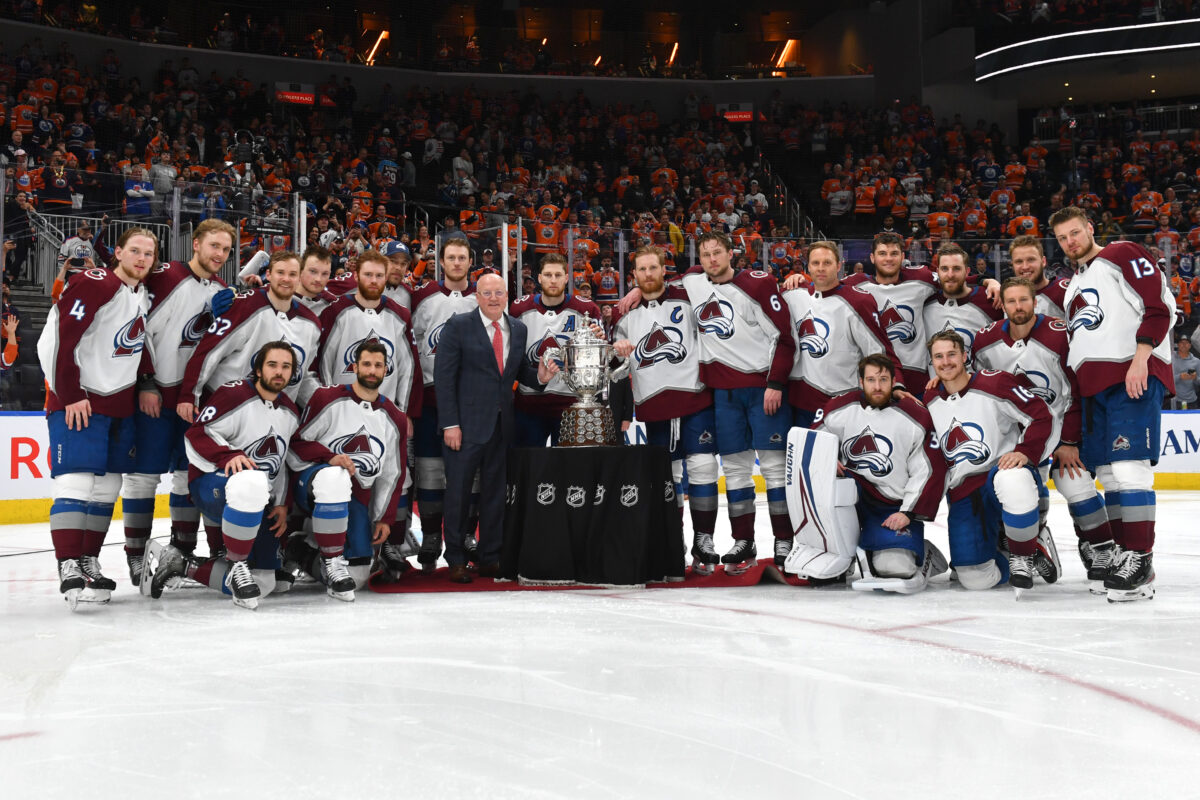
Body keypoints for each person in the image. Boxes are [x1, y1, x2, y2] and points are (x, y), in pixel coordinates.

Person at [621, 231, 796, 571]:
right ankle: (743, 541)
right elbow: (658, 282)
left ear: (732, 254)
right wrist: (636, 291)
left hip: (763, 388)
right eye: (705, 255)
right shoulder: (693, 282)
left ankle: (784, 540)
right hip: (724, 394)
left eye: (718, 253)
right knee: (735, 471)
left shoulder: (757, 284)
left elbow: (785, 337)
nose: (712, 260)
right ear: (698, 260)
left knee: (774, 468)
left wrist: (775, 382)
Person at [1051, 206, 1176, 601]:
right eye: (1062, 238)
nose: (1071, 242)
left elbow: (1160, 306)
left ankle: (1140, 558)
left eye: (1075, 232)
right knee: (1109, 472)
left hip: (1129, 375)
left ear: (1090, 228)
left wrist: (1142, 358)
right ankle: (1126, 553)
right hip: (1094, 389)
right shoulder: (1074, 284)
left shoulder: (1120, 253)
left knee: (1128, 467)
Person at [36, 228, 156, 609]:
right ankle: (68, 561)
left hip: (119, 404)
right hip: (81, 398)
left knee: (107, 487)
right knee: (75, 480)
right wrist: (69, 393)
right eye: (134, 251)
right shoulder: (97, 281)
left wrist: (148, 383)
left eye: (148, 254)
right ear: (117, 253)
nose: (141, 259)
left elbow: (138, 345)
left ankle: (88, 559)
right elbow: (61, 335)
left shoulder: (140, 295)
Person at [974, 278, 1112, 587]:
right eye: (1011, 301)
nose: (1018, 306)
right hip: (1014, 434)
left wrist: (1069, 441)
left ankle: (1101, 547)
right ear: (1003, 305)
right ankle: (1032, 539)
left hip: (1060, 427)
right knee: (1014, 485)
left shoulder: (1059, 334)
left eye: (1024, 300)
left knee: (1073, 481)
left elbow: (1077, 389)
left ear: (1035, 301)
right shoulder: (985, 342)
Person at [120, 219, 235, 586]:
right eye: (213, 245)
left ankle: (180, 554)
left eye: (226, 249)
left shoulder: (221, 289)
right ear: (196, 244)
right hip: (154, 395)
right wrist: (145, 381)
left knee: (188, 478)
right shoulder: (166, 276)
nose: (219, 254)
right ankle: (136, 558)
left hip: (194, 403)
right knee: (143, 479)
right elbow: (133, 327)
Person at [435, 273, 556, 583]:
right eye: (486, 293)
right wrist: (450, 423)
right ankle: (457, 559)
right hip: (463, 428)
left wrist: (540, 376)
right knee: (459, 495)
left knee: (495, 495)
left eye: (498, 293)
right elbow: (444, 379)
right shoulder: (458, 326)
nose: (492, 298)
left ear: (507, 296)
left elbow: (516, 374)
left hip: (503, 427)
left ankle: (490, 557)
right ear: (476, 296)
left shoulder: (518, 328)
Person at [611, 245, 721, 572]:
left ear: (663, 269)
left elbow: (706, 271)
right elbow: (616, 366)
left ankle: (705, 540)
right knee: (667, 478)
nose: (647, 275)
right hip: (654, 403)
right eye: (641, 270)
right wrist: (618, 352)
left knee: (703, 467)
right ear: (634, 275)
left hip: (694, 397)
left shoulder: (686, 293)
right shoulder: (623, 313)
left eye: (652, 268)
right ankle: (674, 540)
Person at [924, 331, 1056, 597]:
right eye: (939, 356)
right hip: (963, 492)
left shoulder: (994, 384)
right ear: (932, 362)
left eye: (952, 354)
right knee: (974, 578)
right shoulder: (931, 399)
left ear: (964, 356)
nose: (946, 361)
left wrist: (1025, 451)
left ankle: (1024, 554)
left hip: (997, 476)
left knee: (1013, 479)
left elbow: (1041, 415)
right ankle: (1019, 550)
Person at [172, 341, 301, 610]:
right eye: (272, 365)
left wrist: (280, 503)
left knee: (265, 583)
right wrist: (227, 455)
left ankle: (182, 565)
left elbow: (280, 461)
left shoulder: (290, 412)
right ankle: (238, 565)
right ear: (257, 369)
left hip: (256, 496)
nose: (279, 372)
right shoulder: (234, 394)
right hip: (211, 483)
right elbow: (196, 433)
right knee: (250, 480)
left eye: (286, 367)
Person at [801, 354, 947, 592]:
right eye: (871, 380)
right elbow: (810, 441)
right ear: (861, 382)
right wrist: (826, 458)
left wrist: (908, 512)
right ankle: (845, 556)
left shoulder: (915, 417)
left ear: (893, 382)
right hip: (849, 502)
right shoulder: (839, 407)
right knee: (823, 574)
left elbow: (928, 471)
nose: (877, 386)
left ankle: (923, 551)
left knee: (895, 568)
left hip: (889, 507)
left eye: (883, 379)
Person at [278, 341, 410, 598]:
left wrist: (384, 518)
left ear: (386, 370)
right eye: (367, 364)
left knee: (360, 575)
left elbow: (393, 473)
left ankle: (302, 551)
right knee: (334, 476)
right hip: (313, 487)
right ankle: (316, 540)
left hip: (355, 502)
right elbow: (295, 443)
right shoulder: (327, 398)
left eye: (378, 366)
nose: (372, 370)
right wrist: (330, 458)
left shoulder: (395, 417)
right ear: (355, 367)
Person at [408, 235, 479, 571]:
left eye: (461, 257)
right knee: (430, 469)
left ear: (470, 261)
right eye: (450, 257)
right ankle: (431, 535)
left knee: (469, 471)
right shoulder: (421, 296)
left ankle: (465, 534)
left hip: (469, 399)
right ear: (442, 261)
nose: (456, 263)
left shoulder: (483, 296)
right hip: (430, 397)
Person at [179, 251, 322, 412]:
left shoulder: (311, 324)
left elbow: (302, 377)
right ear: (268, 274)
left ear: (300, 277)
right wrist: (189, 395)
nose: (286, 279)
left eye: (292, 274)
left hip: (271, 415)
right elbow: (209, 351)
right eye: (280, 272)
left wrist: (324, 406)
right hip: (226, 406)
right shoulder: (246, 305)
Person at [783, 240, 903, 428]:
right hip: (801, 401)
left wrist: (896, 385)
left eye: (827, 263)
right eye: (815, 263)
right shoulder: (792, 294)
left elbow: (879, 351)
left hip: (844, 402)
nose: (821, 268)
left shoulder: (858, 301)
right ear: (808, 266)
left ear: (839, 266)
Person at [510, 253, 603, 447]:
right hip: (529, 406)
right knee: (529, 470)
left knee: (568, 474)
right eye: (548, 275)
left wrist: (599, 339)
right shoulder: (519, 309)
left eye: (558, 275)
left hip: (572, 406)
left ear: (566, 277)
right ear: (540, 277)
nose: (553, 280)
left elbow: (600, 359)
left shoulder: (588, 310)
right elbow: (514, 359)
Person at [922, 242, 1003, 368]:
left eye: (956, 268)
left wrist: (989, 281)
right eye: (944, 269)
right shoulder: (925, 302)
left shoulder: (990, 299)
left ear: (967, 271)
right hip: (935, 386)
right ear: (937, 272)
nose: (950, 274)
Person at [1008, 235, 1070, 318]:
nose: (1025, 266)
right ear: (1012, 265)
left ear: (1043, 261)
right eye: (1019, 261)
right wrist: (987, 281)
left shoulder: (1066, 290)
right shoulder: (1006, 296)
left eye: (1031, 260)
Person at [1171, 336, 1200, 408]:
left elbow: (1199, 381)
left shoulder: (1196, 361)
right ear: (1177, 345)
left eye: (1186, 343)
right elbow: (1165, 379)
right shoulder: (1170, 357)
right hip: (1174, 399)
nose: (1184, 344)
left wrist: (1195, 378)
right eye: (1181, 342)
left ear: (1190, 346)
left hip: (1191, 400)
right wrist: (1180, 377)